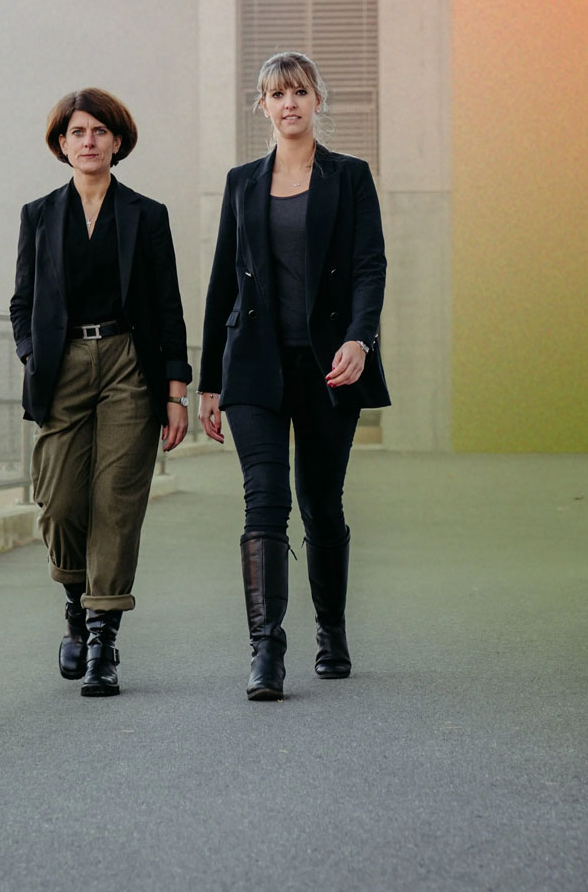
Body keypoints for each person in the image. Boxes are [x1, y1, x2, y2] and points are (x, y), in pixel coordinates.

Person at [198, 51, 390, 701]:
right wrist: (206, 381)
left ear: (317, 100)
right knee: (264, 498)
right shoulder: (242, 183)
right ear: (262, 107)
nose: (290, 104)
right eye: (277, 94)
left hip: (328, 367)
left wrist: (361, 339)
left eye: (300, 92)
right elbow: (223, 279)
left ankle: (331, 630)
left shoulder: (351, 178)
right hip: (253, 363)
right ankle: (265, 649)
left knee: (321, 503)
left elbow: (370, 265)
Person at [11, 87, 190, 697]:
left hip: (127, 365)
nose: (88, 142)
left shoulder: (146, 214)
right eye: (77, 133)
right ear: (62, 144)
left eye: (98, 132)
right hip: (61, 369)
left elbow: (167, 306)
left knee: (116, 500)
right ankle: (74, 603)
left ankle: (101, 638)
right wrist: (33, 355)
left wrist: (175, 391)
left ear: (117, 140)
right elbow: (21, 304)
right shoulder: (39, 215)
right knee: (60, 501)